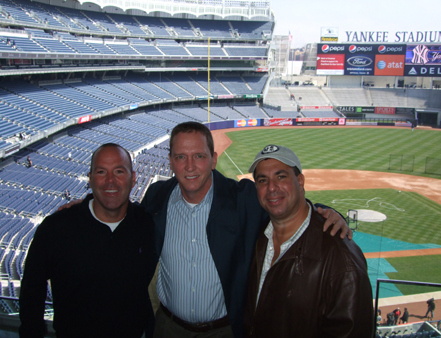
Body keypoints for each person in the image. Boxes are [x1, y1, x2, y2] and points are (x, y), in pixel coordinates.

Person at [60, 122, 352, 338]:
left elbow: (282, 201)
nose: (190, 167)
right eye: (181, 157)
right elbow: (122, 210)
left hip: (223, 331)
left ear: (213, 159)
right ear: (171, 160)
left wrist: (325, 211)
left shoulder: (243, 198)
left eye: (199, 156)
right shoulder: (157, 198)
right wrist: (86, 206)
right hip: (167, 328)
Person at [19, 143, 158, 338]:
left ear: (133, 178)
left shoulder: (147, 224)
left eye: (119, 171)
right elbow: (31, 295)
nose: (111, 181)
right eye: (101, 172)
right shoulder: (55, 229)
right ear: (90, 179)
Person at [243, 144, 374, 337]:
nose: (271, 187)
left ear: (300, 181)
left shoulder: (342, 259)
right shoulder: (258, 236)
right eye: (263, 180)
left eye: (281, 176)